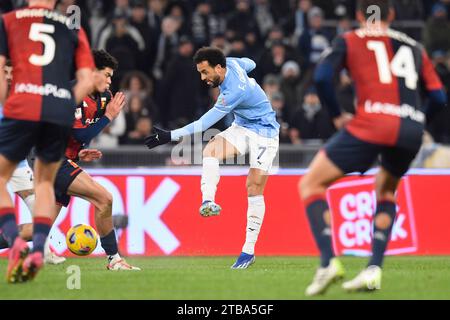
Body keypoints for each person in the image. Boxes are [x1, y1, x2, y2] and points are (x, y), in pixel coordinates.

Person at [300, 0, 447, 296]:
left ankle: (328, 262)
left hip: (371, 123)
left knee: (311, 183)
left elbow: (321, 77)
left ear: (357, 16)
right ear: (391, 15)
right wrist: (418, 121)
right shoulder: (415, 46)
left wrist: (337, 115)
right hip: (410, 130)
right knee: (386, 189)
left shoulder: (350, 39)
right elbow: (439, 96)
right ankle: (373, 270)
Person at [145, 47, 280, 269]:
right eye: (200, 72)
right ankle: (208, 200)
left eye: (205, 72)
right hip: (243, 126)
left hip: (266, 133)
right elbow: (251, 63)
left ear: (219, 68)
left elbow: (203, 124)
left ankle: (248, 251)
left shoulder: (232, 93)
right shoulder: (233, 63)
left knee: (254, 187)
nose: (203, 78)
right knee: (210, 151)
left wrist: (169, 136)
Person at [0, 0, 94, 283]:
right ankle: (39, 247)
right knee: (44, 183)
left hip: (22, 104)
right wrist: (66, 104)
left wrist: (8, 102)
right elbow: (87, 79)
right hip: (58, 108)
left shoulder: (9, 20)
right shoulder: (72, 28)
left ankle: (14, 239)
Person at [51, 50, 140, 271]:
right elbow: (81, 134)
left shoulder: (104, 97)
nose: (110, 81)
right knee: (104, 199)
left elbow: (75, 135)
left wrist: (77, 152)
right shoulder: (71, 93)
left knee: (36, 228)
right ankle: (115, 259)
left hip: (65, 157)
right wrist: (109, 116)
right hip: (50, 159)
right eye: (107, 75)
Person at [0, 60, 65, 265]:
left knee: (37, 204)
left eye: (12, 71)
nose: (9, 76)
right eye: (5, 71)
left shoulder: (24, 95)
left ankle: (44, 252)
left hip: (17, 161)